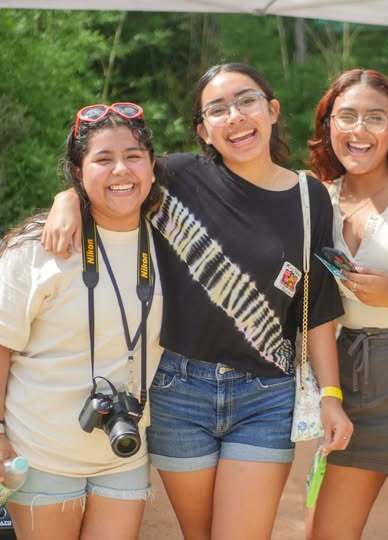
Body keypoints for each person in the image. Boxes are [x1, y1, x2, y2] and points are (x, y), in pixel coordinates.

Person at [42, 63, 353, 540]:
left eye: (246, 101)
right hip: (178, 389)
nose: (235, 117)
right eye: (217, 109)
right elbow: (114, 174)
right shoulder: (177, 177)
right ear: (203, 130)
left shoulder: (310, 196)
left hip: (266, 394)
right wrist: (67, 199)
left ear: (271, 110)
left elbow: (320, 306)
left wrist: (331, 397)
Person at [0, 103, 164, 539]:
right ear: (77, 170)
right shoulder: (39, 247)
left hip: (124, 452)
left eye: (133, 156)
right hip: (41, 452)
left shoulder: (167, 241)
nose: (121, 171)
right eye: (103, 160)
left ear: (151, 166)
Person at [306, 68, 388, 540]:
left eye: (375, 118)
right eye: (346, 117)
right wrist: (330, 397)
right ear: (328, 127)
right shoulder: (316, 199)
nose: (358, 130)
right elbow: (315, 311)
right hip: (351, 382)